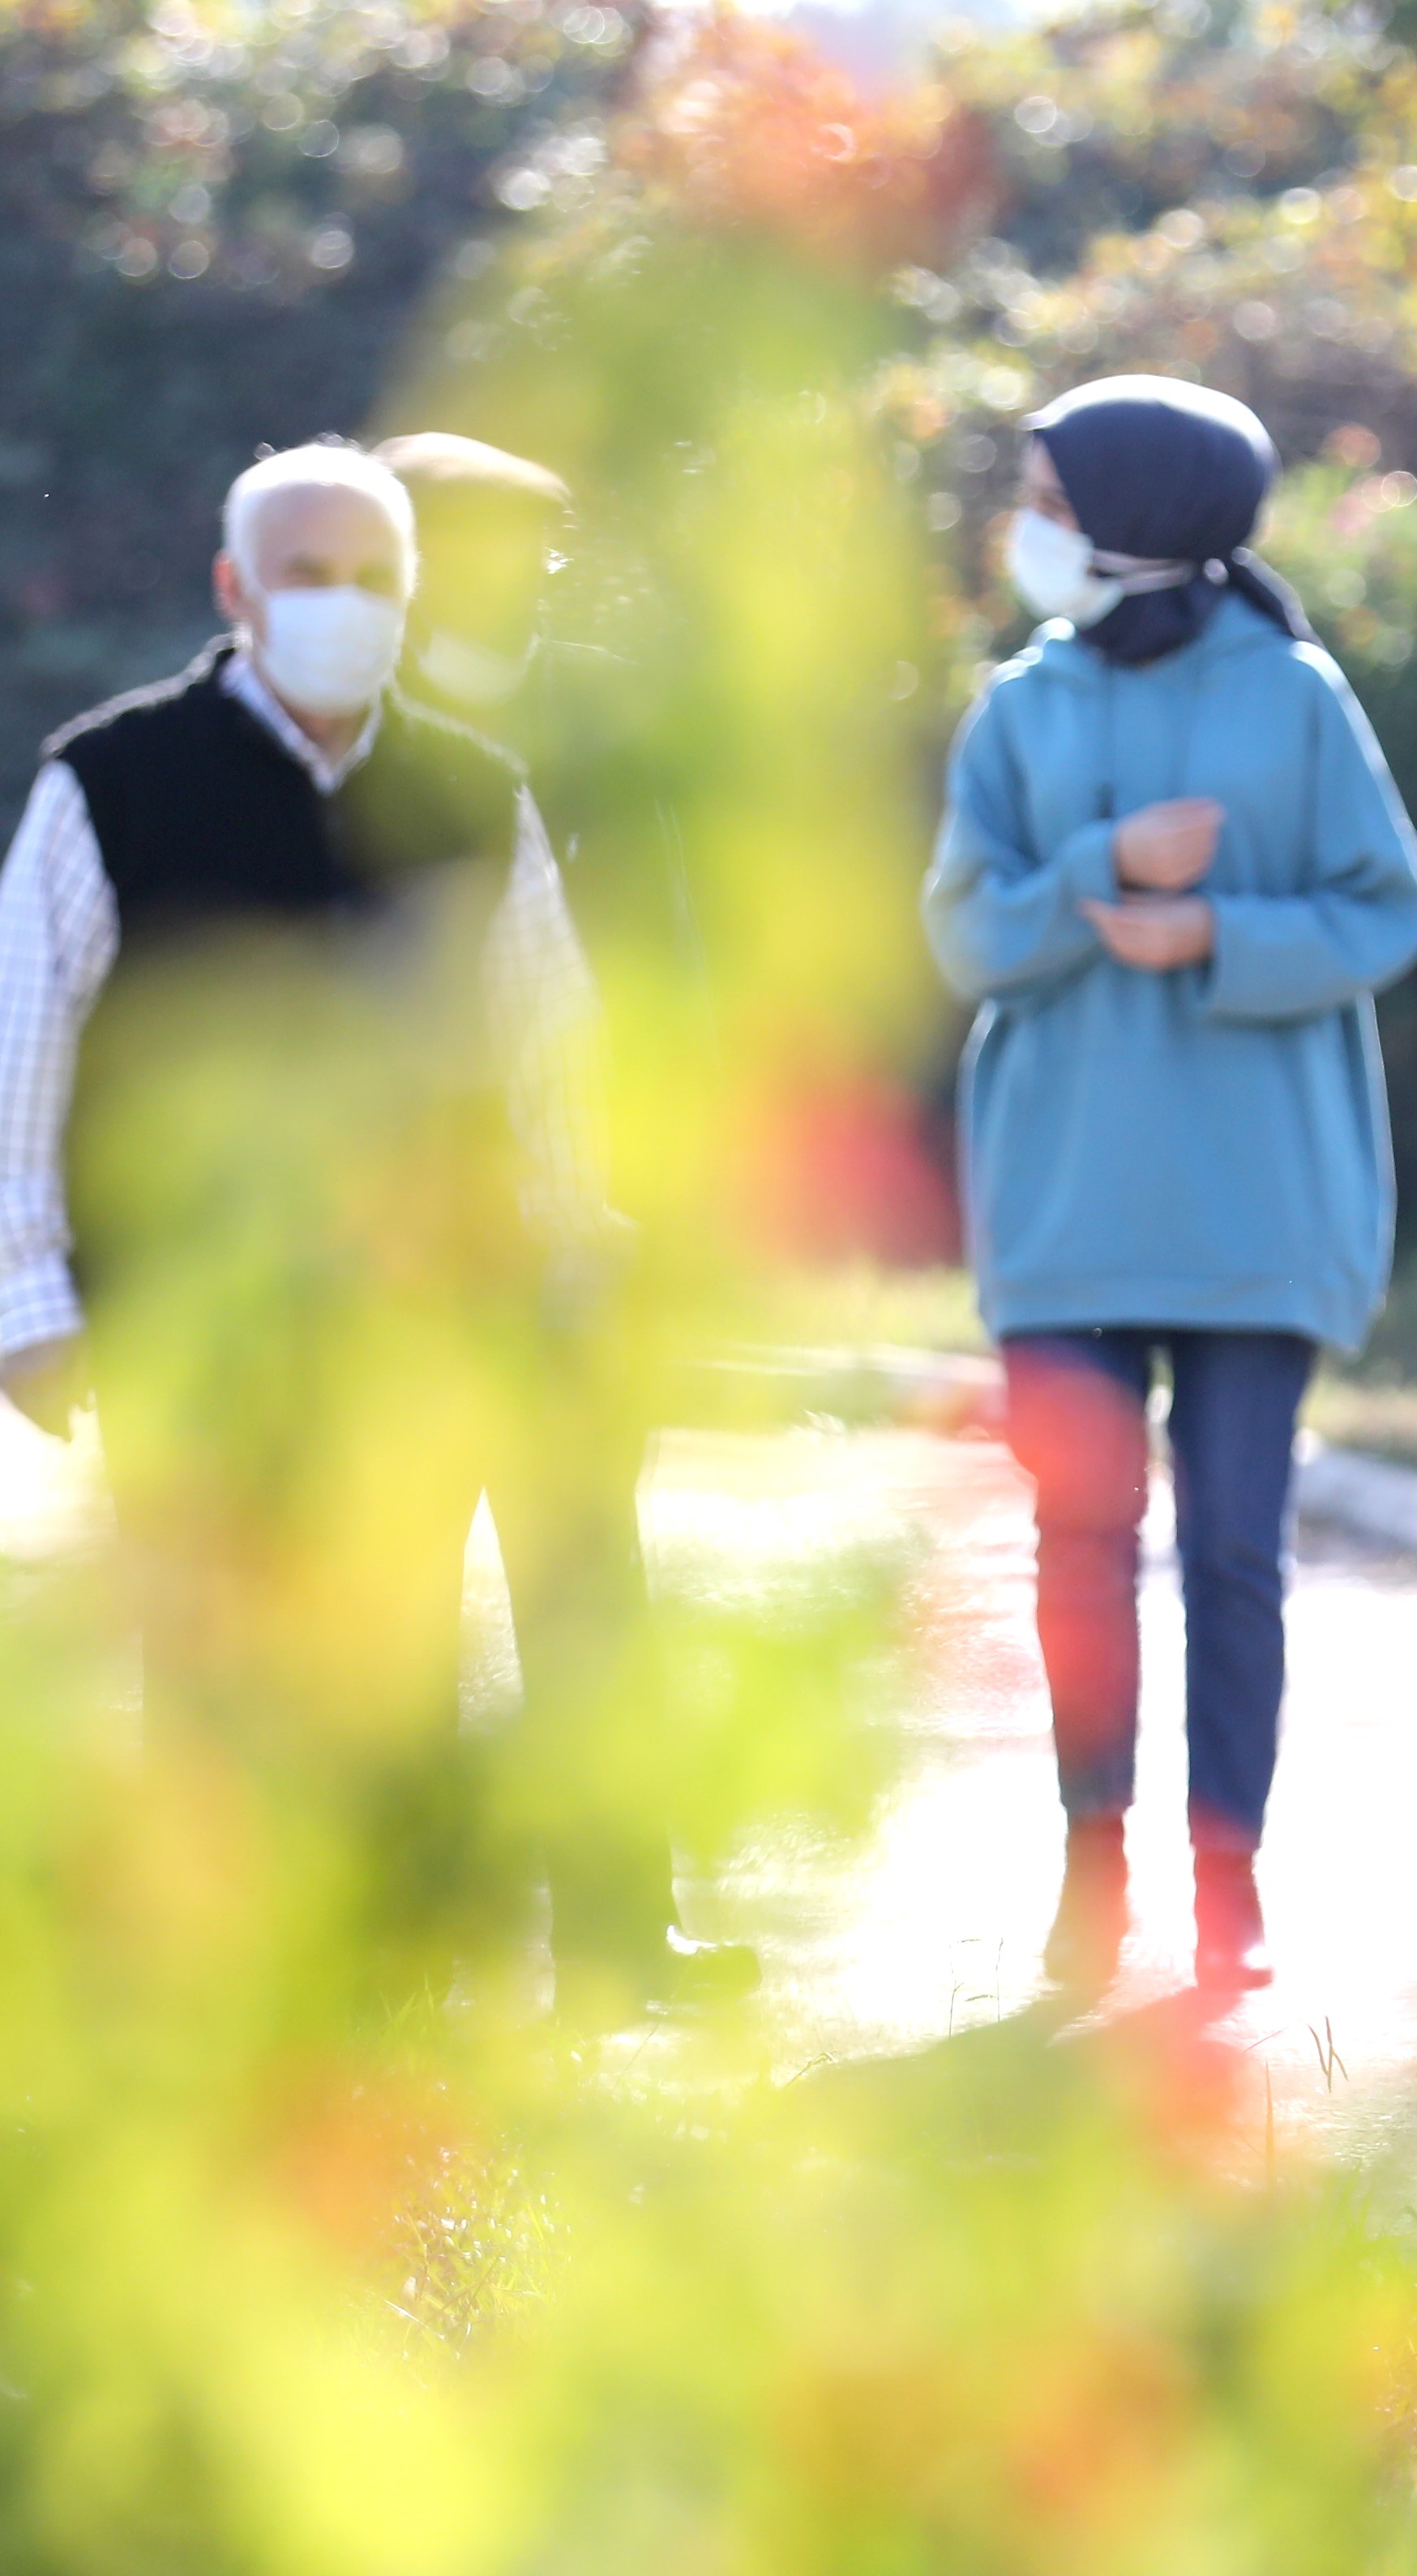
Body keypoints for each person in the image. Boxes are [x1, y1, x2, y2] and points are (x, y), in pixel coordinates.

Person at [0, 443, 607, 1962]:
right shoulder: (111, 781)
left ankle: (380, 2024)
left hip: (424, 1322)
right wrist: (29, 1301)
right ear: (236, 590)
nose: (344, 607)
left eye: (376, 580)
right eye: (308, 577)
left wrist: (575, 1271)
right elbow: (25, 1047)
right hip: (180, 1319)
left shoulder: (475, 791)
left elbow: (556, 1060)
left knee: (390, 1664)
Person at [922, 375, 1417, 2009]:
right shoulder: (1019, 705)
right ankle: (1093, 1877)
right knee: (1077, 1543)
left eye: (1054, 499)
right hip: (1065, 1205)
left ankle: (1231, 1883)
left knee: (1232, 1550)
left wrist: (1222, 931)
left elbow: (1386, 910)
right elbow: (961, 936)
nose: (1034, 528)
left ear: (1139, 516)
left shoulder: (1293, 697)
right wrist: (1097, 879)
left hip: (1253, 1209)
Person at [375, 428, 756, 2016]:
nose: (521, 582)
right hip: (387, 1218)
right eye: (485, 549)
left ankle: (620, 1932)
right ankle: (405, 1935)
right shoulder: (321, 720)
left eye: (536, 552)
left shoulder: (595, 716)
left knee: (589, 1576)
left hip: (576, 1207)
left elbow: (667, 951)